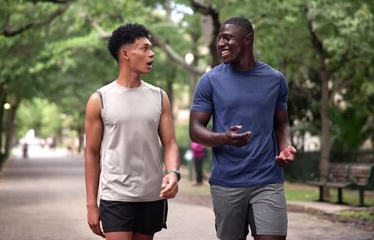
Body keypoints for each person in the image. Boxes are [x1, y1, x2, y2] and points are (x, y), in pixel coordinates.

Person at [189, 17, 297, 240]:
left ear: (247, 40)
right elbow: (195, 129)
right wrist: (224, 138)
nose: (221, 44)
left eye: (227, 38)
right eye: (219, 39)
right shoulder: (209, 81)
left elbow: (281, 123)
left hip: (268, 179)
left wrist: (285, 146)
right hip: (227, 182)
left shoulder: (275, 80)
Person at [84, 23, 180, 240]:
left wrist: (173, 173)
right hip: (116, 196)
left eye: (151, 48)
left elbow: (171, 143)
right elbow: (91, 153)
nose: (152, 53)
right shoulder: (100, 99)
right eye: (144, 48)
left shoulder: (159, 97)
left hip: (152, 196)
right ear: (125, 54)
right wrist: (91, 204)